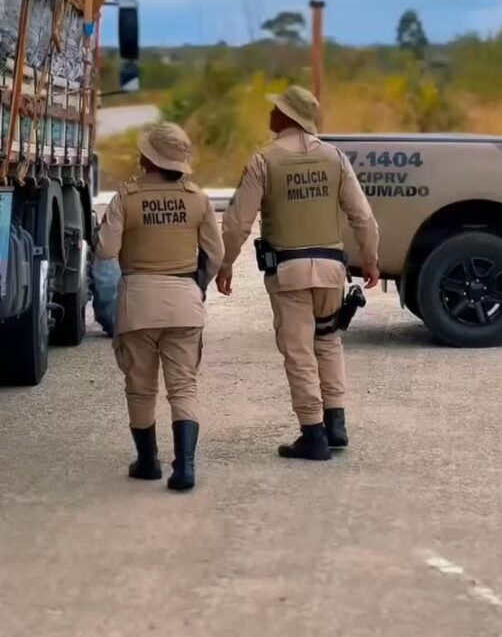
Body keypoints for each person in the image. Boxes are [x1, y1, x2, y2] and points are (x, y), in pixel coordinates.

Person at [217, 85, 380, 461]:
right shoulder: (335, 158)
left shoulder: (264, 161)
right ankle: (336, 423)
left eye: (275, 109)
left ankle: (313, 433)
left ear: (288, 116)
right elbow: (362, 216)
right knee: (328, 340)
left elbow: (238, 222)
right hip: (331, 270)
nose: (270, 113)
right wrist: (371, 260)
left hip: (288, 272)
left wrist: (225, 264)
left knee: (299, 351)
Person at [94, 122, 224, 492]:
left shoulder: (127, 197)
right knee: (183, 386)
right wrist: (196, 285)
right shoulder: (198, 199)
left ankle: (148, 462)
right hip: (184, 302)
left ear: (147, 159)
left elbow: (106, 250)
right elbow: (215, 255)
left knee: (140, 387)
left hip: (138, 304)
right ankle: (185, 467)